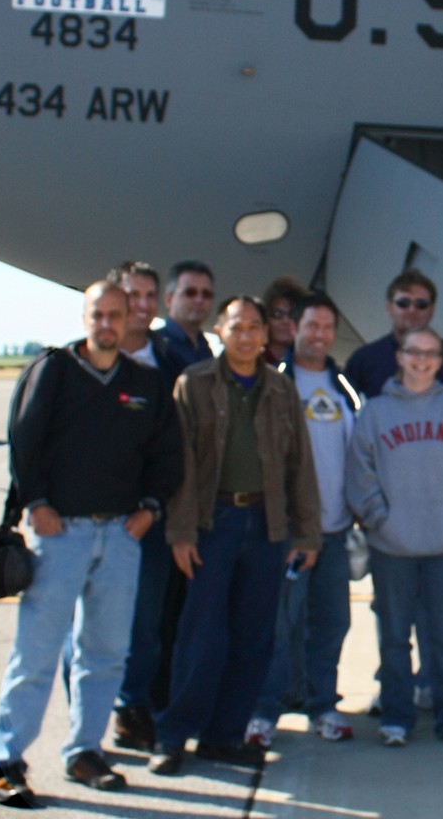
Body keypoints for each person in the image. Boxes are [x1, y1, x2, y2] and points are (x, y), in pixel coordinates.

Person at [0, 283, 182, 807]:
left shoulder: (146, 383)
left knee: (106, 654)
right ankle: (5, 760)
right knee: (38, 652)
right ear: (86, 315)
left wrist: (149, 509)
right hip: (61, 532)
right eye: (99, 314)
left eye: (117, 315)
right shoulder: (56, 370)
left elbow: (167, 454)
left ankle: (85, 751)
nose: (107, 324)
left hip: (120, 535)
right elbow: (25, 440)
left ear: (132, 317)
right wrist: (39, 503)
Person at [149, 297, 322, 775]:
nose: (245, 336)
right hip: (213, 524)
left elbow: (299, 465)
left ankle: (223, 736)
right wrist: (181, 531)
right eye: (236, 327)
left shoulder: (282, 390)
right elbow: (180, 466)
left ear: (267, 334)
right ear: (219, 332)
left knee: (253, 639)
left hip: (266, 526)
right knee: (199, 636)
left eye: (253, 328)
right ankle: (173, 736)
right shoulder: (195, 384)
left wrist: (307, 532)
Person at [347, 325, 443, 748]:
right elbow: (361, 474)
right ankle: (397, 715)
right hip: (393, 546)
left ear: (441, 362)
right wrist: (380, 521)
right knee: (394, 637)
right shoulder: (375, 412)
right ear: (401, 356)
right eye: (414, 352)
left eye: (431, 354)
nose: (422, 360)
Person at [246, 292, 362, 747]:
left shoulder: (344, 386)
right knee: (279, 623)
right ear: (294, 329)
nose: (319, 335)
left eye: (327, 328)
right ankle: (263, 711)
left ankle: (323, 707)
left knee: (331, 623)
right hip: (291, 532)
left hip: (335, 529)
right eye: (311, 325)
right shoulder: (274, 383)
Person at [103, 261, 193, 756]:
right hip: (94, 517)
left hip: (150, 518)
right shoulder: (78, 361)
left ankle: (132, 708)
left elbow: (174, 444)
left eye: (148, 296)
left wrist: (157, 505)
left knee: (147, 625)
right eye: (131, 295)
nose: (141, 304)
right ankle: (92, 715)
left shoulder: (169, 362)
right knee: (94, 625)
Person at [343, 269, 443, 398]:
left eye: (421, 304)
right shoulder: (364, 360)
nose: (412, 310)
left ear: (432, 311)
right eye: (403, 303)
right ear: (389, 308)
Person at [161, 261, 218, 368]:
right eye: (190, 293)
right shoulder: (153, 345)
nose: (199, 300)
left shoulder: (205, 348)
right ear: (168, 299)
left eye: (206, 294)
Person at [262, 275, 307, 367]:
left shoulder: (309, 366)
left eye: (292, 314)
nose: (285, 321)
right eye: (277, 314)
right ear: (266, 319)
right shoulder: (253, 363)